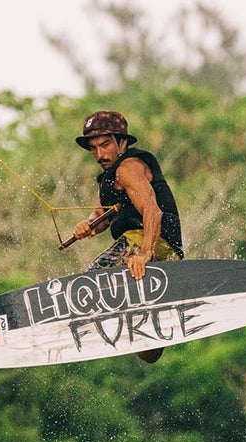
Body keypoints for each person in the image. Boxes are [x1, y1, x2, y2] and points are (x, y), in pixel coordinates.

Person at [71, 110, 184, 363]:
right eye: (93, 148)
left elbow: (153, 212)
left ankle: (80, 326)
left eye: (105, 145)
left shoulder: (129, 168)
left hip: (146, 242)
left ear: (122, 142)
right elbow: (100, 216)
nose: (99, 154)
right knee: (147, 353)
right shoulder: (110, 179)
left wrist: (144, 254)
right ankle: (149, 324)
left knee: (90, 283)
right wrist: (87, 226)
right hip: (169, 254)